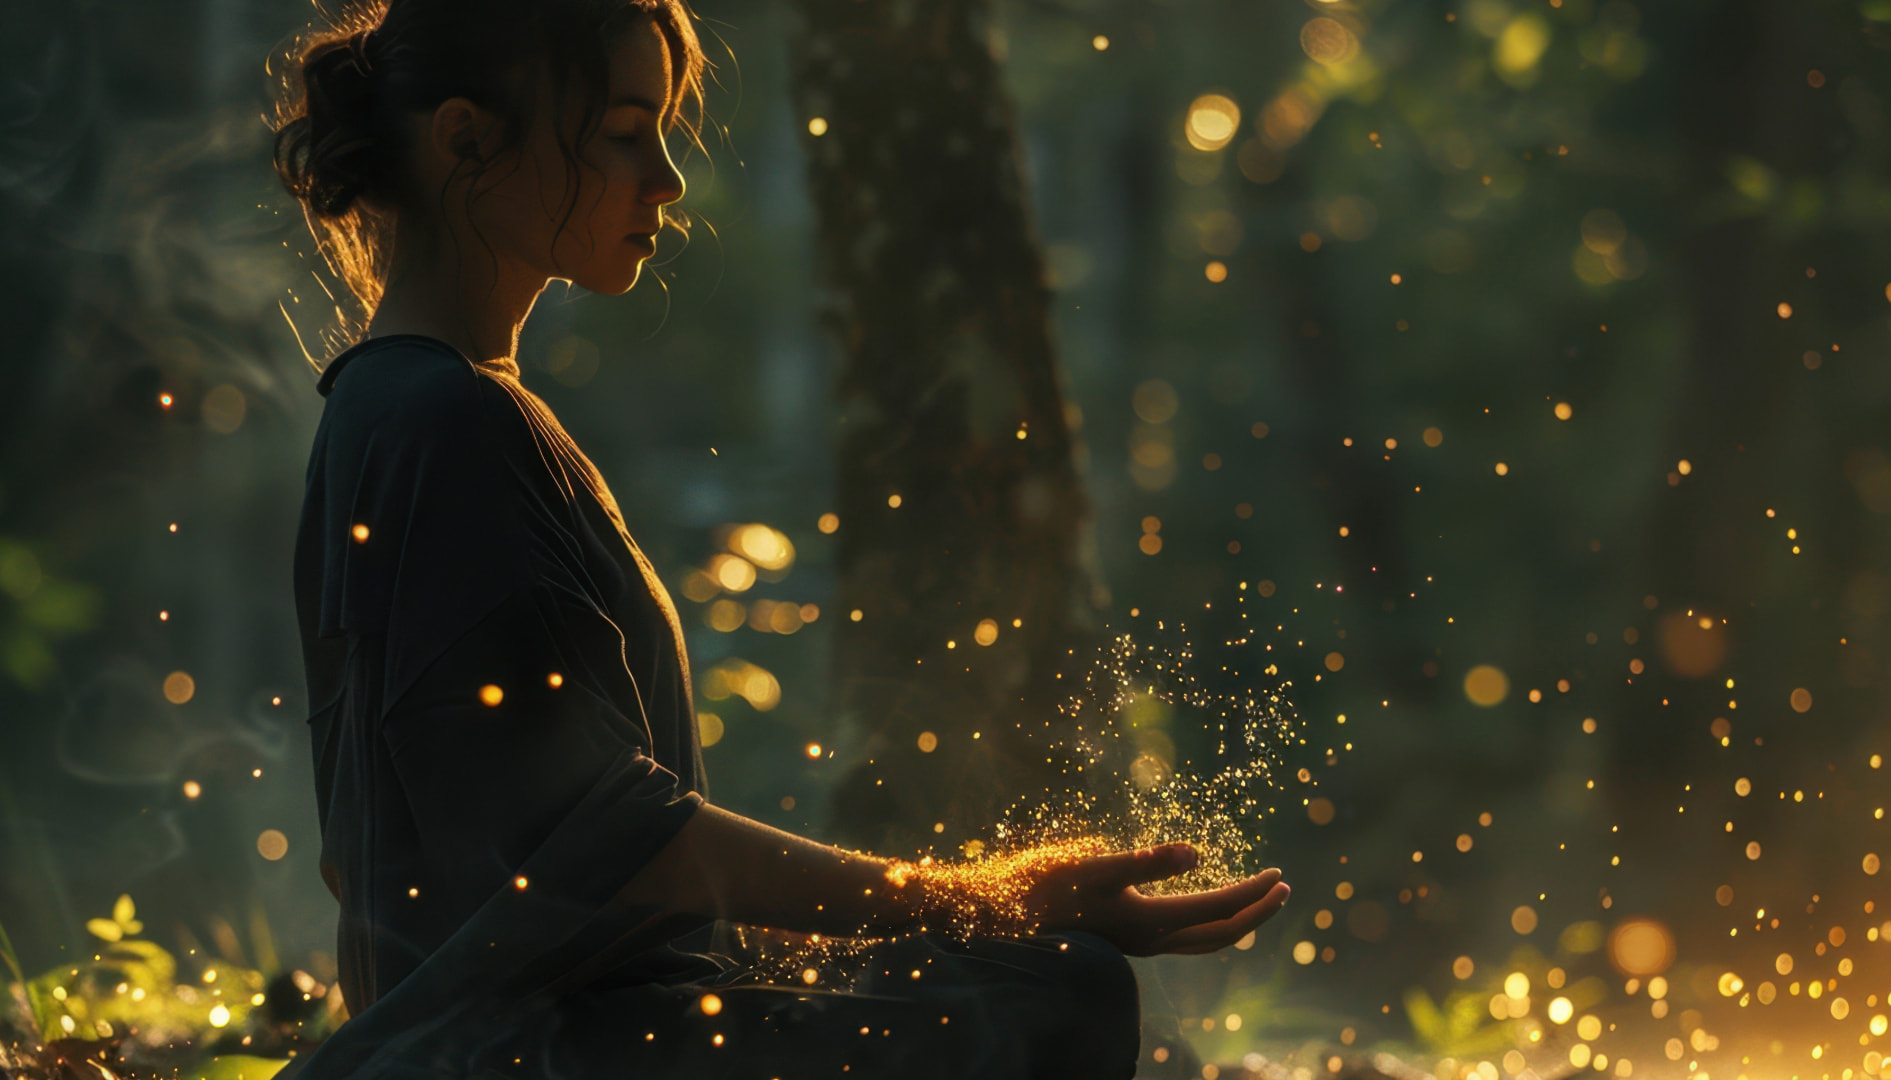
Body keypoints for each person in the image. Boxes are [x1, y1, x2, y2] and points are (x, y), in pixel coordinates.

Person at [272, 2, 1291, 1077]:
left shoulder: (404, 410)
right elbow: (606, 840)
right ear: (466, 140)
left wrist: (959, 913)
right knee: (1055, 988)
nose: (664, 179)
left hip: (527, 1036)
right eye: (623, 131)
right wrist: (977, 898)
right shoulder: (446, 422)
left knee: (1030, 967)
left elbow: (553, 859)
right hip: (521, 1052)